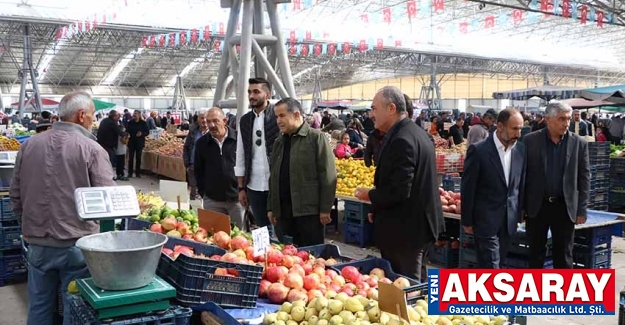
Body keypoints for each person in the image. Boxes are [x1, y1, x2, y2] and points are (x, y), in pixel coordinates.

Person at [10, 91, 116, 325]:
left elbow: (15, 195)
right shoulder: (92, 149)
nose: (93, 121)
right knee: (74, 306)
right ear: (80, 116)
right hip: (77, 245)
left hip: (38, 244)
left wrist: (28, 226)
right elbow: (108, 200)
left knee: (39, 305)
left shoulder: (28, 146)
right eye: (91, 116)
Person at [354, 86, 444, 282]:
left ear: (391, 108)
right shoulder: (414, 133)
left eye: (374, 109)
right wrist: (378, 209)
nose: (371, 115)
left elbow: (400, 190)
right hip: (413, 225)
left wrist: (370, 195)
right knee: (416, 280)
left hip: (406, 231)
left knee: (405, 284)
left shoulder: (402, 139)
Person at [523, 102, 590, 269]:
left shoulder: (578, 143)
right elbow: (522, 176)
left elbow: (584, 178)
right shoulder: (530, 141)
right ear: (548, 119)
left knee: (564, 255)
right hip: (537, 206)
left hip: (564, 207)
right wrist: (521, 207)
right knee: (535, 253)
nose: (566, 123)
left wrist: (581, 209)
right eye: (561, 119)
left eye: (568, 119)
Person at [460, 108, 526, 269]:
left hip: (509, 220)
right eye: (514, 128)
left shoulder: (521, 150)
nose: (518, 134)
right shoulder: (479, 150)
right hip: (485, 220)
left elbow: (519, 183)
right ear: (500, 126)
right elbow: (468, 187)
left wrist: (520, 212)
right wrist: (467, 220)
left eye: (520, 129)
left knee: (497, 262)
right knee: (491, 264)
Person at [267, 98, 337, 246]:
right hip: (284, 212)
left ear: (296, 115)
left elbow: (328, 175)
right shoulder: (279, 142)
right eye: (276, 117)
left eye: (282, 116)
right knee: (288, 257)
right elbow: (273, 176)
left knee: (312, 255)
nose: (278, 121)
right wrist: (271, 207)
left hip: (308, 212)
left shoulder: (315, 138)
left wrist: (325, 208)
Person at [235, 78, 280, 235]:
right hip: (254, 186)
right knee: (261, 230)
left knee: (281, 229)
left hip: (277, 185)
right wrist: (241, 188)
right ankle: (264, 258)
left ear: (267, 94)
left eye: (256, 92)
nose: (251, 96)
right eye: (249, 92)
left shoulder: (278, 116)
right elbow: (240, 154)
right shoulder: (245, 120)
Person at [195, 108, 245, 229]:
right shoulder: (202, 143)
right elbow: (198, 170)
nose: (211, 125)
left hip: (236, 199)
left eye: (215, 121)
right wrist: (204, 193)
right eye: (208, 121)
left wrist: (243, 190)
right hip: (212, 200)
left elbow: (247, 165)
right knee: (215, 235)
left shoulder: (239, 139)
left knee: (240, 236)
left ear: (224, 121)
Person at [183, 108, 208, 200]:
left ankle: (206, 211)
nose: (204, 120)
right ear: (198, 119)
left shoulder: (213, 133)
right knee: (194, 191)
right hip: (193, 166)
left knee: (207, 191)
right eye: (201, 118)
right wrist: (187, 163)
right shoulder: (193, 132)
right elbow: (186, 147)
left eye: (206, 118)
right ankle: (194, 211)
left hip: (208, 167)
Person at [126, 110, 149, 178]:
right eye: (134, 113)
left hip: (139, 142)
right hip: (131, 142)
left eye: (136, 114)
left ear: (139, 115)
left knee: (138, 158)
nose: (134, 115)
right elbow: (127, 130)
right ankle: (130, 173)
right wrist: (127, 134)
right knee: (131, 158)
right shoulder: (130, 122)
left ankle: (137, 173)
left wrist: (142, 133)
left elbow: (147, 132)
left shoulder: (143, 123)